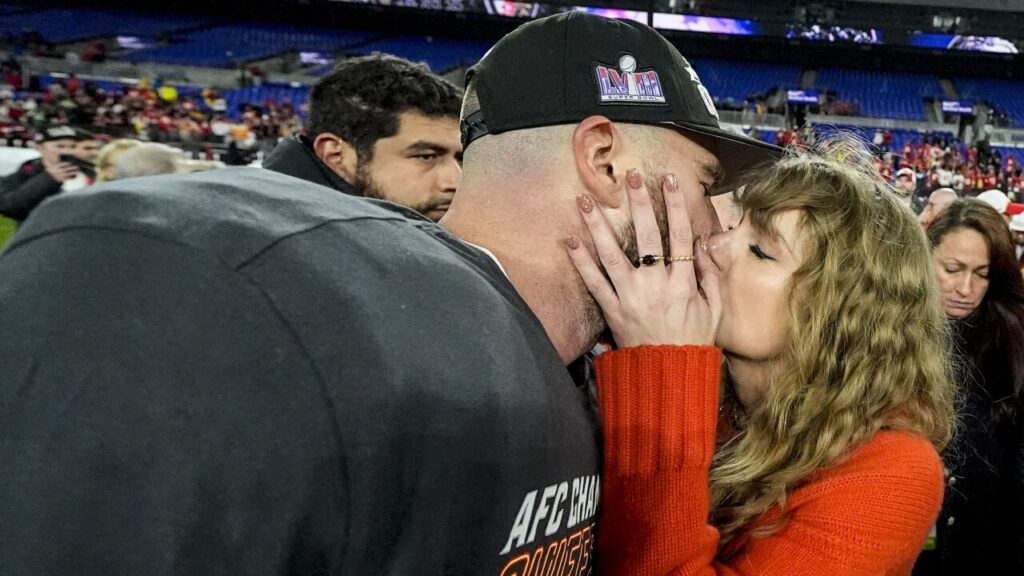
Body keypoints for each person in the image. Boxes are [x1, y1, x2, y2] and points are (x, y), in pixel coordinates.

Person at [0, 13, 779, 575]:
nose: (716, 220)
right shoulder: (254, 283)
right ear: (605, 159)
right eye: (708, 182)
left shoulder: (572, 358)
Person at [566, 138, 955, 574]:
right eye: (734, 228)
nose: (713, 247)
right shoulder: (718, 403)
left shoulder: (893, 472)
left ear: (837, 314)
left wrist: (661, 365)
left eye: (760, 251)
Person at [914, 199, 1024, 575]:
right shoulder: (886, 336)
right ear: (925, 257)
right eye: (952, 269)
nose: (965, 287)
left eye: (982, 273)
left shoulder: (1012, 342)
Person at [263, 53, 464, 222]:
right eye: (426, 156)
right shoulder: (268, 246)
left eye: (460, 158)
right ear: (335, 156)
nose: (455, 182)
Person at [0, 125, 79, 221]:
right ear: (40, 147)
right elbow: (9, 207)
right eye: (60, 146)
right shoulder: (26, 171)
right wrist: (48, 179)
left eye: (73, 146)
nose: (68, 151)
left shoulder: (87, 170)